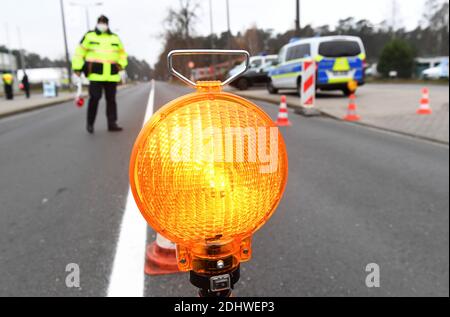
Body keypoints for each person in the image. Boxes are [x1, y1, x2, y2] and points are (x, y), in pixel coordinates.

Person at [71, 15, 128, 134]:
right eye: (100, 22)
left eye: (104, 23)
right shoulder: (89, 36)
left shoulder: (115, 38)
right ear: (97, 24)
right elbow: (79, 53)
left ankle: (112, 123)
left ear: (107, 24)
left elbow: (122, 54)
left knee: (111, 100)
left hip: (112, 75)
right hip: (95, 75)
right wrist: (77, 68)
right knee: (94, 99)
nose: (102, 25)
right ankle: (90, 124)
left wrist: (121, 66)